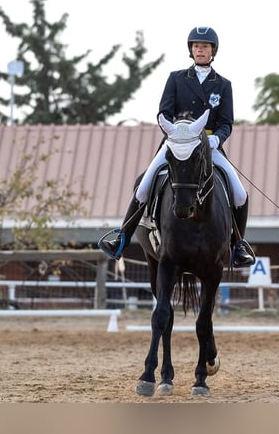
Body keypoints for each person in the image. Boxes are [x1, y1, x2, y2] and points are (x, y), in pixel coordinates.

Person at [97, 26, 255, 268]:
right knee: (143, 186)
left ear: (213, 51)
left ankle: (238, 245)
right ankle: (122, 237)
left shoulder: (223, 85)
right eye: (196, 46)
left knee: (240, 194)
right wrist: (174, 134)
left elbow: (226, 122)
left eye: (205, 47)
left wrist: (217, 139)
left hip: (208, 146)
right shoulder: (177, 78)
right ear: (191, 50)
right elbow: (164, 111)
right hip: (177, 143)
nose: (200, 50)